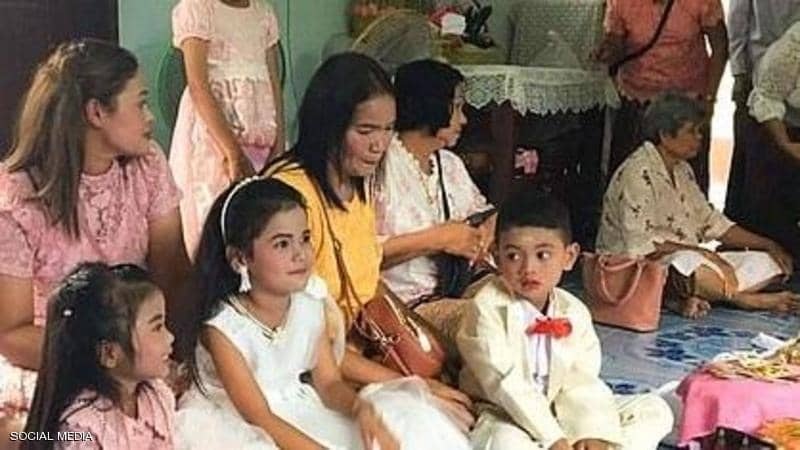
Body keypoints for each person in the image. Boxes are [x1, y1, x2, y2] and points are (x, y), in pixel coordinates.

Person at [176, 177, 471, 449]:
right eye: (282, 244)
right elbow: (260, 417)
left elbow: (329, 383)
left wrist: (360, 408)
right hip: (250, 427)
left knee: (402, 424)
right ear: (240, 258)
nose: (300, 253)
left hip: (306, 408)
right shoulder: (224, 329)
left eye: (305, 238)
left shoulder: (308, 303)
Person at [265, 52, 474, 431]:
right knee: (432, 424)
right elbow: (301, 339)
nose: (379, 145)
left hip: (354, 352)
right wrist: (413, 385)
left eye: (388, 129)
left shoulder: (355, 186)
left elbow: (366, 281)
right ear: (329, 125)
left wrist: (414, 341)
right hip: (303, 370)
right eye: (365, 131)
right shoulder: (289, 198)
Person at [0, 39, 188, 429]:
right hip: (55, 360)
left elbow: (173, 275)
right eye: (140, 103)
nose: (150, 117)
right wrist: (111, 360)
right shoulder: (19, 197)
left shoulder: (148, 164)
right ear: (97, 112)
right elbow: (12, 334)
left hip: (140, 352)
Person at [457, 192, 674, 450]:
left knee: (654, 409)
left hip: (560, 406)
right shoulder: (486, 307)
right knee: (504, 442)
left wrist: (592, 433)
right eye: (513, 256)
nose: (528, 268)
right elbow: (504, 382)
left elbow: (580, 381)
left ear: (569, 257)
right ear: (496, 256)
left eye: (543, 255)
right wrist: (553, 438)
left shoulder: (574, 311)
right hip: (504, 412)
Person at [596, 93, 797, 319]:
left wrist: (769, 244)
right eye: (692, 131)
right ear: (665, 135)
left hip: (691, 258)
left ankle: (706, 293)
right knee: (687, 265)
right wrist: (705, 254)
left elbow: (713, 223)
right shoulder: (636, 173)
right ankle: (744, 299)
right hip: (637, 268)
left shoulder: (683, 170)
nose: (699, 138)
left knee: (770, 262)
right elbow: (641, 246)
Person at [375, 59, 494, 335]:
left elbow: (484, 213)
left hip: (458, 286)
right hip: (407, 303)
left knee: (526, 302)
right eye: (457, 107)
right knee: (489, 321)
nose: (463, 120)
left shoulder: (449, 164)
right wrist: (440, 239)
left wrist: (485, 232)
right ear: (431, 105)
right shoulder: (380, 166)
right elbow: (361, 255)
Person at [170, 0, 285, 257]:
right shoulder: (198, 9)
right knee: (216, 217)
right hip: (215, 140)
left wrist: (279, 144)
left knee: (262, 219)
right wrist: (232, 152)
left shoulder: (264, 14)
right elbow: (198, 84)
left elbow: (274, 82)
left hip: (261, 132)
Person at [21, 263, 176, 450]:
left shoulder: (156, 397)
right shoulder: (82, 428)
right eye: (157, 327)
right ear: (109, 353)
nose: (170, 337)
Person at [595, 0, 728, 193]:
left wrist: (710, 99)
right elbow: (615, 40)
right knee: (632, 183)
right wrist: (607, 50)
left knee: (686, 185)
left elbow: (720, 47)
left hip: (687, 105)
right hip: (636, 101)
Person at [724, 0, 800, 224]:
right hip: (763, 79)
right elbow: (738, 17)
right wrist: (739, 72)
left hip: (768, 84)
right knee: (764, 195)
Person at [743, 20, 800, 262]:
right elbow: (766, 96)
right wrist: (785, 144)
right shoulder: (795, 43)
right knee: (779, 230)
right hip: (782, 135)